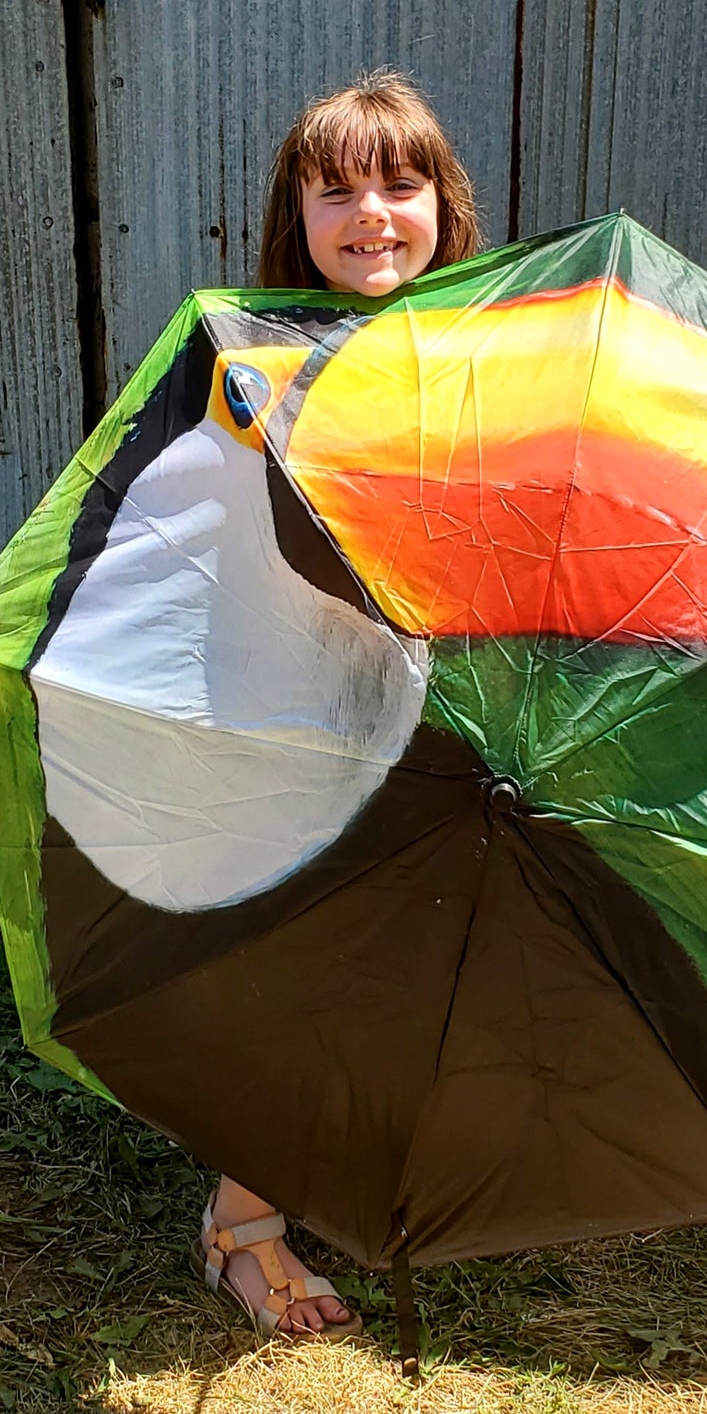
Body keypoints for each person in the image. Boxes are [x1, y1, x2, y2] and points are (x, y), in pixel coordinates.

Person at [195, 68, 482, 1340]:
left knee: (412, 963)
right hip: (296, 710)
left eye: (400, 183)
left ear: (442, 204)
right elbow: (207, 525)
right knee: (307, 969)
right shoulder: (245, 355)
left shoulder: (489, 346)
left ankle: (355, 1167)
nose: (373, 212)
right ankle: (240, 1221)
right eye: (338, 189)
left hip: (439, 705)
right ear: (296, 215)